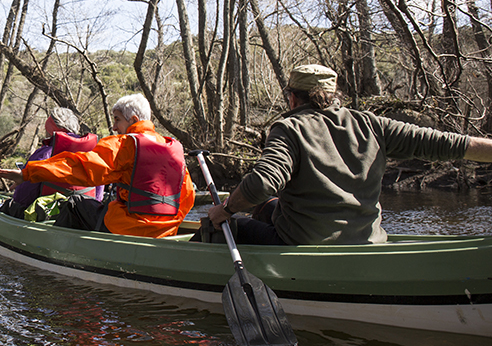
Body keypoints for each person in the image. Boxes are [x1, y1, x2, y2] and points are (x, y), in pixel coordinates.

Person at [205, 64, 492, 245]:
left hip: (304, 243)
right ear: (332, 96)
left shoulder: (290, 127)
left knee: (218, 224)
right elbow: (448, 143)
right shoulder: (371, 123)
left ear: (292, 98)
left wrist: (227, 210)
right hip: (368, 241)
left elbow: (262, 182)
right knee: (268, 206)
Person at [0, 93, 196, 238]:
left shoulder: (124, 144)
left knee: (75, 204)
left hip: (126, 228)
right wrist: (166, 226)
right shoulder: (173, 148)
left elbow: (79, 166)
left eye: (117, 120)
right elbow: (187, 197)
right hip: (166, 229)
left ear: (133, 119)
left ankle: (59, 254)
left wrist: (28, 173)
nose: (114, 127)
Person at [0, 107, 102, 219]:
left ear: (51, 129)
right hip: (82, 217)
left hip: (45, 217)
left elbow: (22, 197)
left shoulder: (45, 154)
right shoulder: (93, 157)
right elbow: (98, 197)